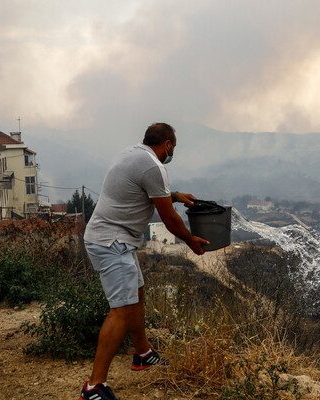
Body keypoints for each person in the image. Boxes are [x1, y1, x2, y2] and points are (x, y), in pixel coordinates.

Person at [78, 123, 209, 400]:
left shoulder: (132, 153)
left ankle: (143, 353)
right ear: (168, 145)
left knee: (135, 294)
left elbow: (142, 190)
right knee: (121, 310)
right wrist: (190, 239)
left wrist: (174, 195)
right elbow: (170, 218)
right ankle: (94, 386)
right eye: (173, 149)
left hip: (114, 239)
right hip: (112, 242)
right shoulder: (153, 166)